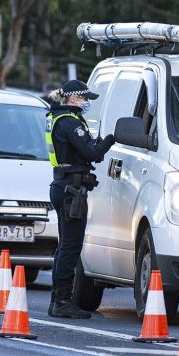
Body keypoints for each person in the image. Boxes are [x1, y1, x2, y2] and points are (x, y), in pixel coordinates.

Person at [45, 79, 115, 319]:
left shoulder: (58, 117)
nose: (87, 103)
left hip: (63, 185)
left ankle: (58, 300)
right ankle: (62, 301)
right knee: (71, 246)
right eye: (85, 98)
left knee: (65, 245)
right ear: (73, 98)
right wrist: (110, 140)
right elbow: (91, 153)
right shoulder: (68, 121)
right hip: (70, 189)